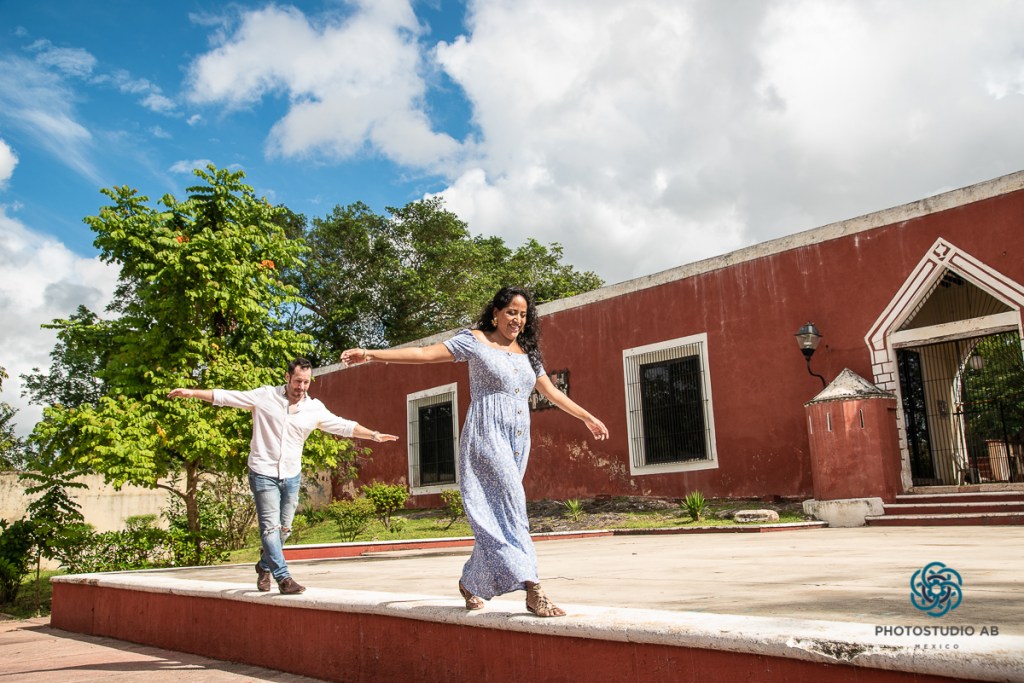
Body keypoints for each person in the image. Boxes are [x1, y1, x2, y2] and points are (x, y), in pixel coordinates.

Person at [341, 287, 608, 617]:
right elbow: (424, 354)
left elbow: (551, 392)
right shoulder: (474, 341)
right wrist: (370, 354)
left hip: (517, 439)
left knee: (500, 509)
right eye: (511, 312)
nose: (517, 320)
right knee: (513, 505)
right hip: (486, 433)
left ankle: (471, 582)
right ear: (496, 312)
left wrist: (587, 417)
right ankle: (533, 589)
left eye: (523, 315)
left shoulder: (529, 353)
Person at [168, 358, 397, 595]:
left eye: (306, 382)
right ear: (287, 377)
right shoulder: (264, 396)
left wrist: (374, 435)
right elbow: (226, 396)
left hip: (291, 475)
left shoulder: (314, 408)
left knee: (284, 530)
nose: (301, 387)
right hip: (262, 472)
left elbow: (344, 426)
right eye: (298, 381)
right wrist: (192, 393)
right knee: (270, 529)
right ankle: (283, 578)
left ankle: (264, 565)